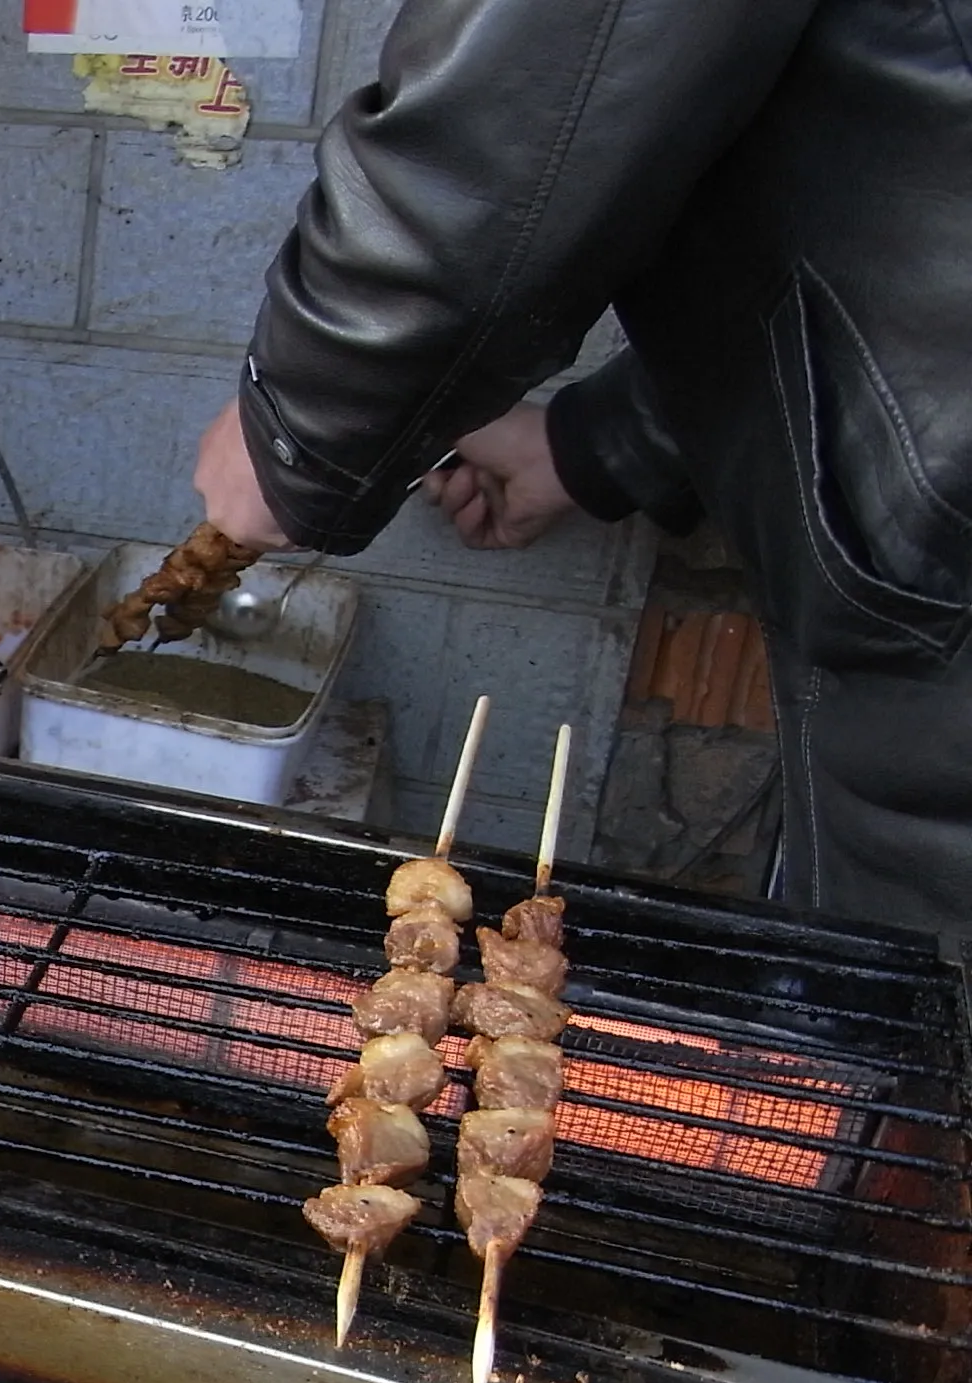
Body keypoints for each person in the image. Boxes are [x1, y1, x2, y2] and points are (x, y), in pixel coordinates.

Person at [191, 0, 972, 931]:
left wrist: (295, 423)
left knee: (909, 1039)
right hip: (932, 592)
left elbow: (534, 97)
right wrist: (597, 443)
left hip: (941, 619)